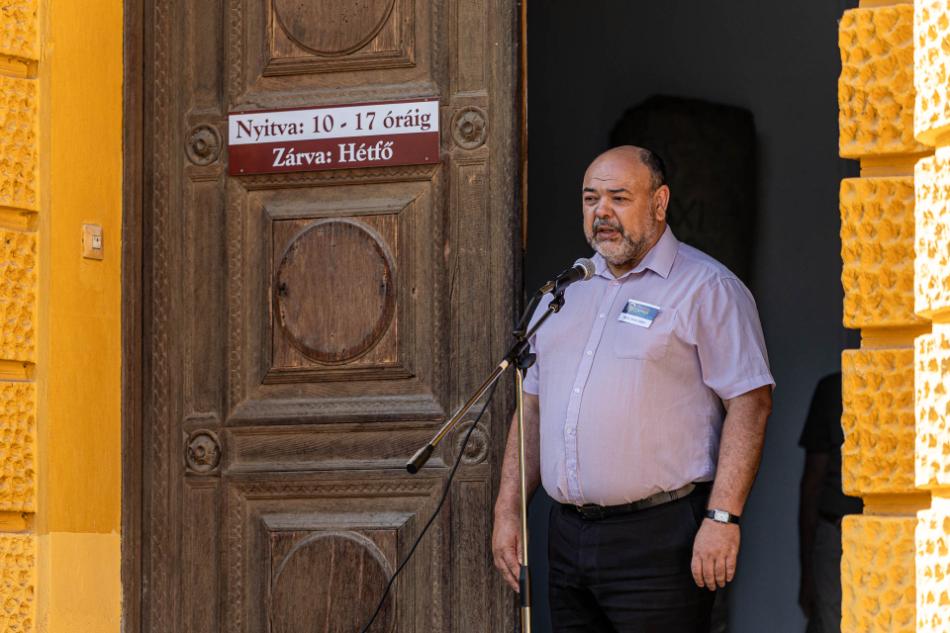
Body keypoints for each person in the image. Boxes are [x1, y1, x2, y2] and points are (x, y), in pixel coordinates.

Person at [491, 145, 774, 632]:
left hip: (660, 539)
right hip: (568, 536)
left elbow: (751, 403)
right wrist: (508, 511)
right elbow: (531, 408)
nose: (602, 212)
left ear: (660, 203)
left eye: (619, 198)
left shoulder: (708, 288)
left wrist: (723, 518)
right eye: (590, 199)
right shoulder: (563, 294)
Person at [798, 372, 862, 633]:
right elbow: (812, 485)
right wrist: (807, 572)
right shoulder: (834, 389)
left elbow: (811, 484)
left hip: (894, 535)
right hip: (835, 535)